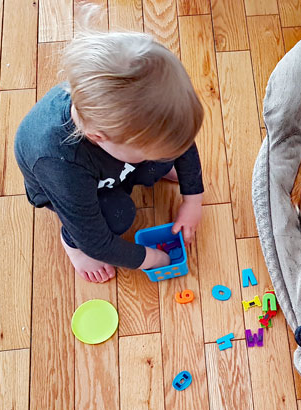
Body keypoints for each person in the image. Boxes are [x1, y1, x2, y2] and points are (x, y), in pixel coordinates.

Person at [15, 16, 204, 284]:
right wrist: (152, 258)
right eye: (149, 151)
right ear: (98, 137)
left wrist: (192, 199)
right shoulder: (60, 165)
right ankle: (71, 242)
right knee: (119, 215)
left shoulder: (121, 127)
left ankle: (147, 161)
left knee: (166, 149)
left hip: (114, 159)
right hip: (73, 187)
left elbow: (180, 140)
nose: (163, 155)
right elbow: (98, 242)